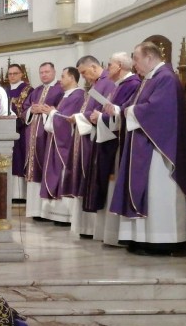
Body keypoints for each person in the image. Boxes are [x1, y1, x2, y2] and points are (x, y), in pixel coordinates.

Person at [109, 41, 186, 255]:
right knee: (145, 191)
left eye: (136, 59)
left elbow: (158, 110)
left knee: (157, 192)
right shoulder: (149, 79)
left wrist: (128, 112)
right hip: (142, 144)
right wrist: (124, 111)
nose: (134, 65)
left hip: (158, 149)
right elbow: (134, 106)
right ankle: (140, 238)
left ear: (149, 57)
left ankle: (162, 240)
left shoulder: (165, 78)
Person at [92, 52, 141, 246]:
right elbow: (114, 111)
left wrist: (102, 117)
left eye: (110, 64)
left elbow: (123, 114)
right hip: (111, 141)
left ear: (120, 66)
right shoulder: (119, 86)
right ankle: (110, 233)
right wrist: (103, 116)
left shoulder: (132, 85)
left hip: (120, 143)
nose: (107, 68)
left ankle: (118, 234)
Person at [71, 55, 118, 237]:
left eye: (84, 73)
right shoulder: (98, 84)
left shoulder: (107, 83)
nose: (84, 77)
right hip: (94, 135)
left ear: (93, 66)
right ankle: (89, 228)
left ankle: (95, 230)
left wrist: (80, 117)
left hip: (104, 138)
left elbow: (105, 110)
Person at [38, 66, 90, 225]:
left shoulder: (78, 95)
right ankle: (55, 214)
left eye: (63, 76)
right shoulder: (66, 95)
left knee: (62, 175)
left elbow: (68, 120)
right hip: (56, 140)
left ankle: (64, 216)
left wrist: (52, 113)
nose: (60, 80)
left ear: (73, 78)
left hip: (65, 143)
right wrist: (53, 113)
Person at [21, 62, 64, 219]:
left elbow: (62, 111)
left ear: (54, 72)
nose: (44, 75)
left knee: (45, 169)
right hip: (32, 137)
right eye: (41, 72)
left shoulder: (60, 89)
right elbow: (25, 109)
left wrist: (46, 111)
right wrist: (31, 110)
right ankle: (34, 211)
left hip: (47, 137)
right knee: (33, 171)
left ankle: (46, 212)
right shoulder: (36, 91)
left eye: (47, 72)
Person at [5, 63, 32, 201]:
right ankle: (8, 192)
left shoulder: (28, 90)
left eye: (15, 73)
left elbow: (28, 109)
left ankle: (20, 194)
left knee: (19, 157)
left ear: (21, 74)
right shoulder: (4, 90)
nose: (12, 76)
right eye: (10, 74)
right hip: (4, 129)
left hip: (20, 128)